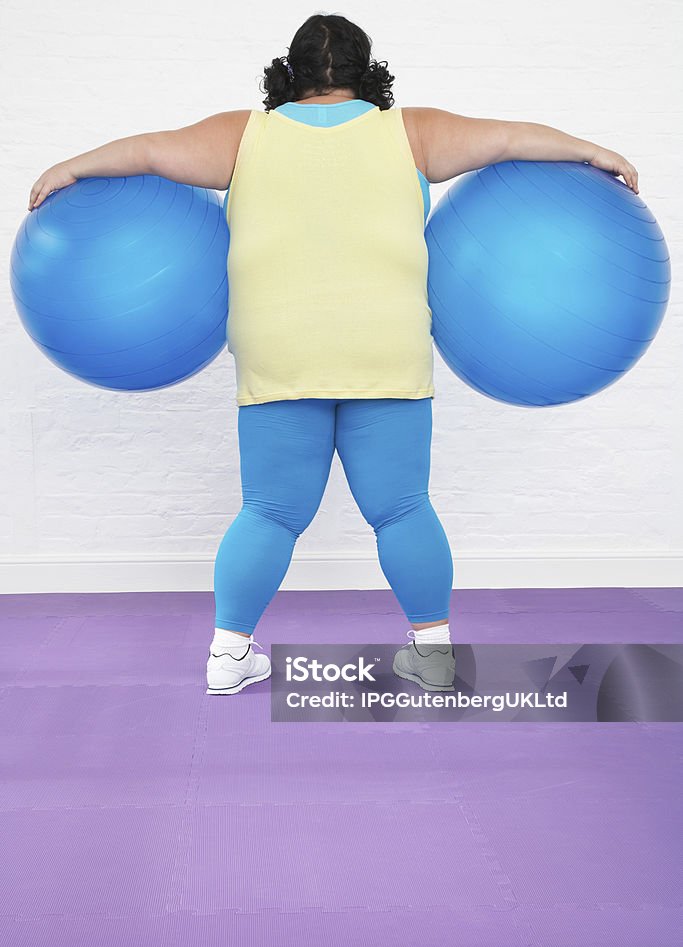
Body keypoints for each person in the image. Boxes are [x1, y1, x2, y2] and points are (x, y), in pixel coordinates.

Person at [28, 14, 638, 698]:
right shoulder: (410, 132)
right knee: (402, 507)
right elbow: (510, 139)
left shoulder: (243, 136)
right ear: (365, 71)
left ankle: (228, 656)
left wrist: (72, 165)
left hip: (281, 352)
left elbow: (146, 152)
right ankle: (432, 656)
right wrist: (592, 151)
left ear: (286, 73)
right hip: (384, 348)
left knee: (268, 510)